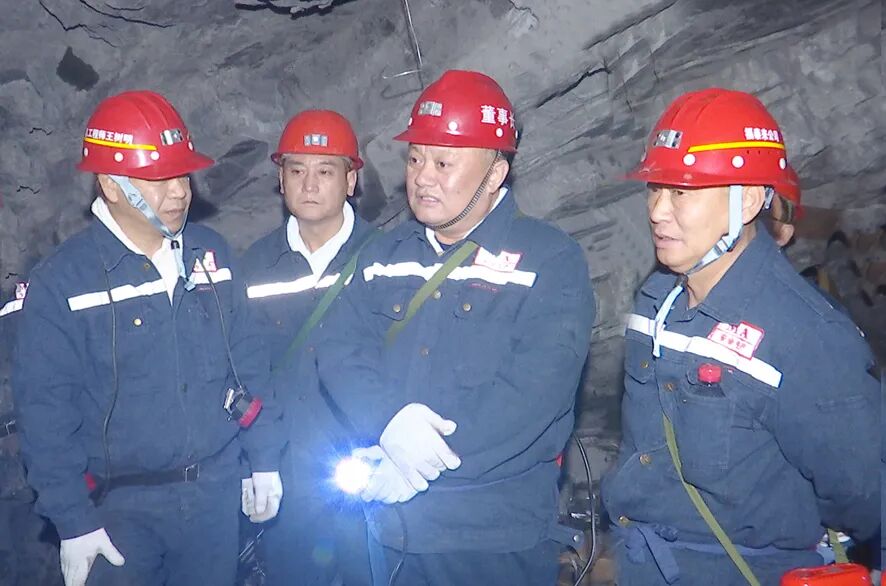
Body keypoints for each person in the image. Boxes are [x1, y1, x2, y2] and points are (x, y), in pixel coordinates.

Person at [314, 69, 596, 585]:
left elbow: (534, 392)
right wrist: (387, 423)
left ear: (495, 173)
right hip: (392, 530)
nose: (423, 177)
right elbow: (340, 348)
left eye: (443, 163)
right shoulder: (383, 255)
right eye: (415, 158)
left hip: (493, 539)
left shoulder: (549, 260)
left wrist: (421, 462)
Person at [602, 88, 881, 585]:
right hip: (642, 565)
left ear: (748, 200)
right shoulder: (655, 301)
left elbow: (865, 494)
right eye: (656, 188)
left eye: (682, 192)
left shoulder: (806, 335)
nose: (658, 210)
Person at [12, 90, 283, 586]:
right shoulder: (64, 283)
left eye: (182, 175)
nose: (179, 192)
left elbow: (249, 360)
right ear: (110, 185)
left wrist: (264, 457)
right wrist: (72, 519)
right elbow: (46, 412)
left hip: (212, 499)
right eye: (159, 179)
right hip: (117, 514)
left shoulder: (212, 256)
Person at [240, 109, 375, 584]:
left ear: (351, 179)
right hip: (287, 475)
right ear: (280, 179)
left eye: (326, 171)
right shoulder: (254, 266)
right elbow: (244, 371)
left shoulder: (384, 258)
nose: (310, 184)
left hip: (369, 472)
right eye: (296, 170)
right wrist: (253, 462)